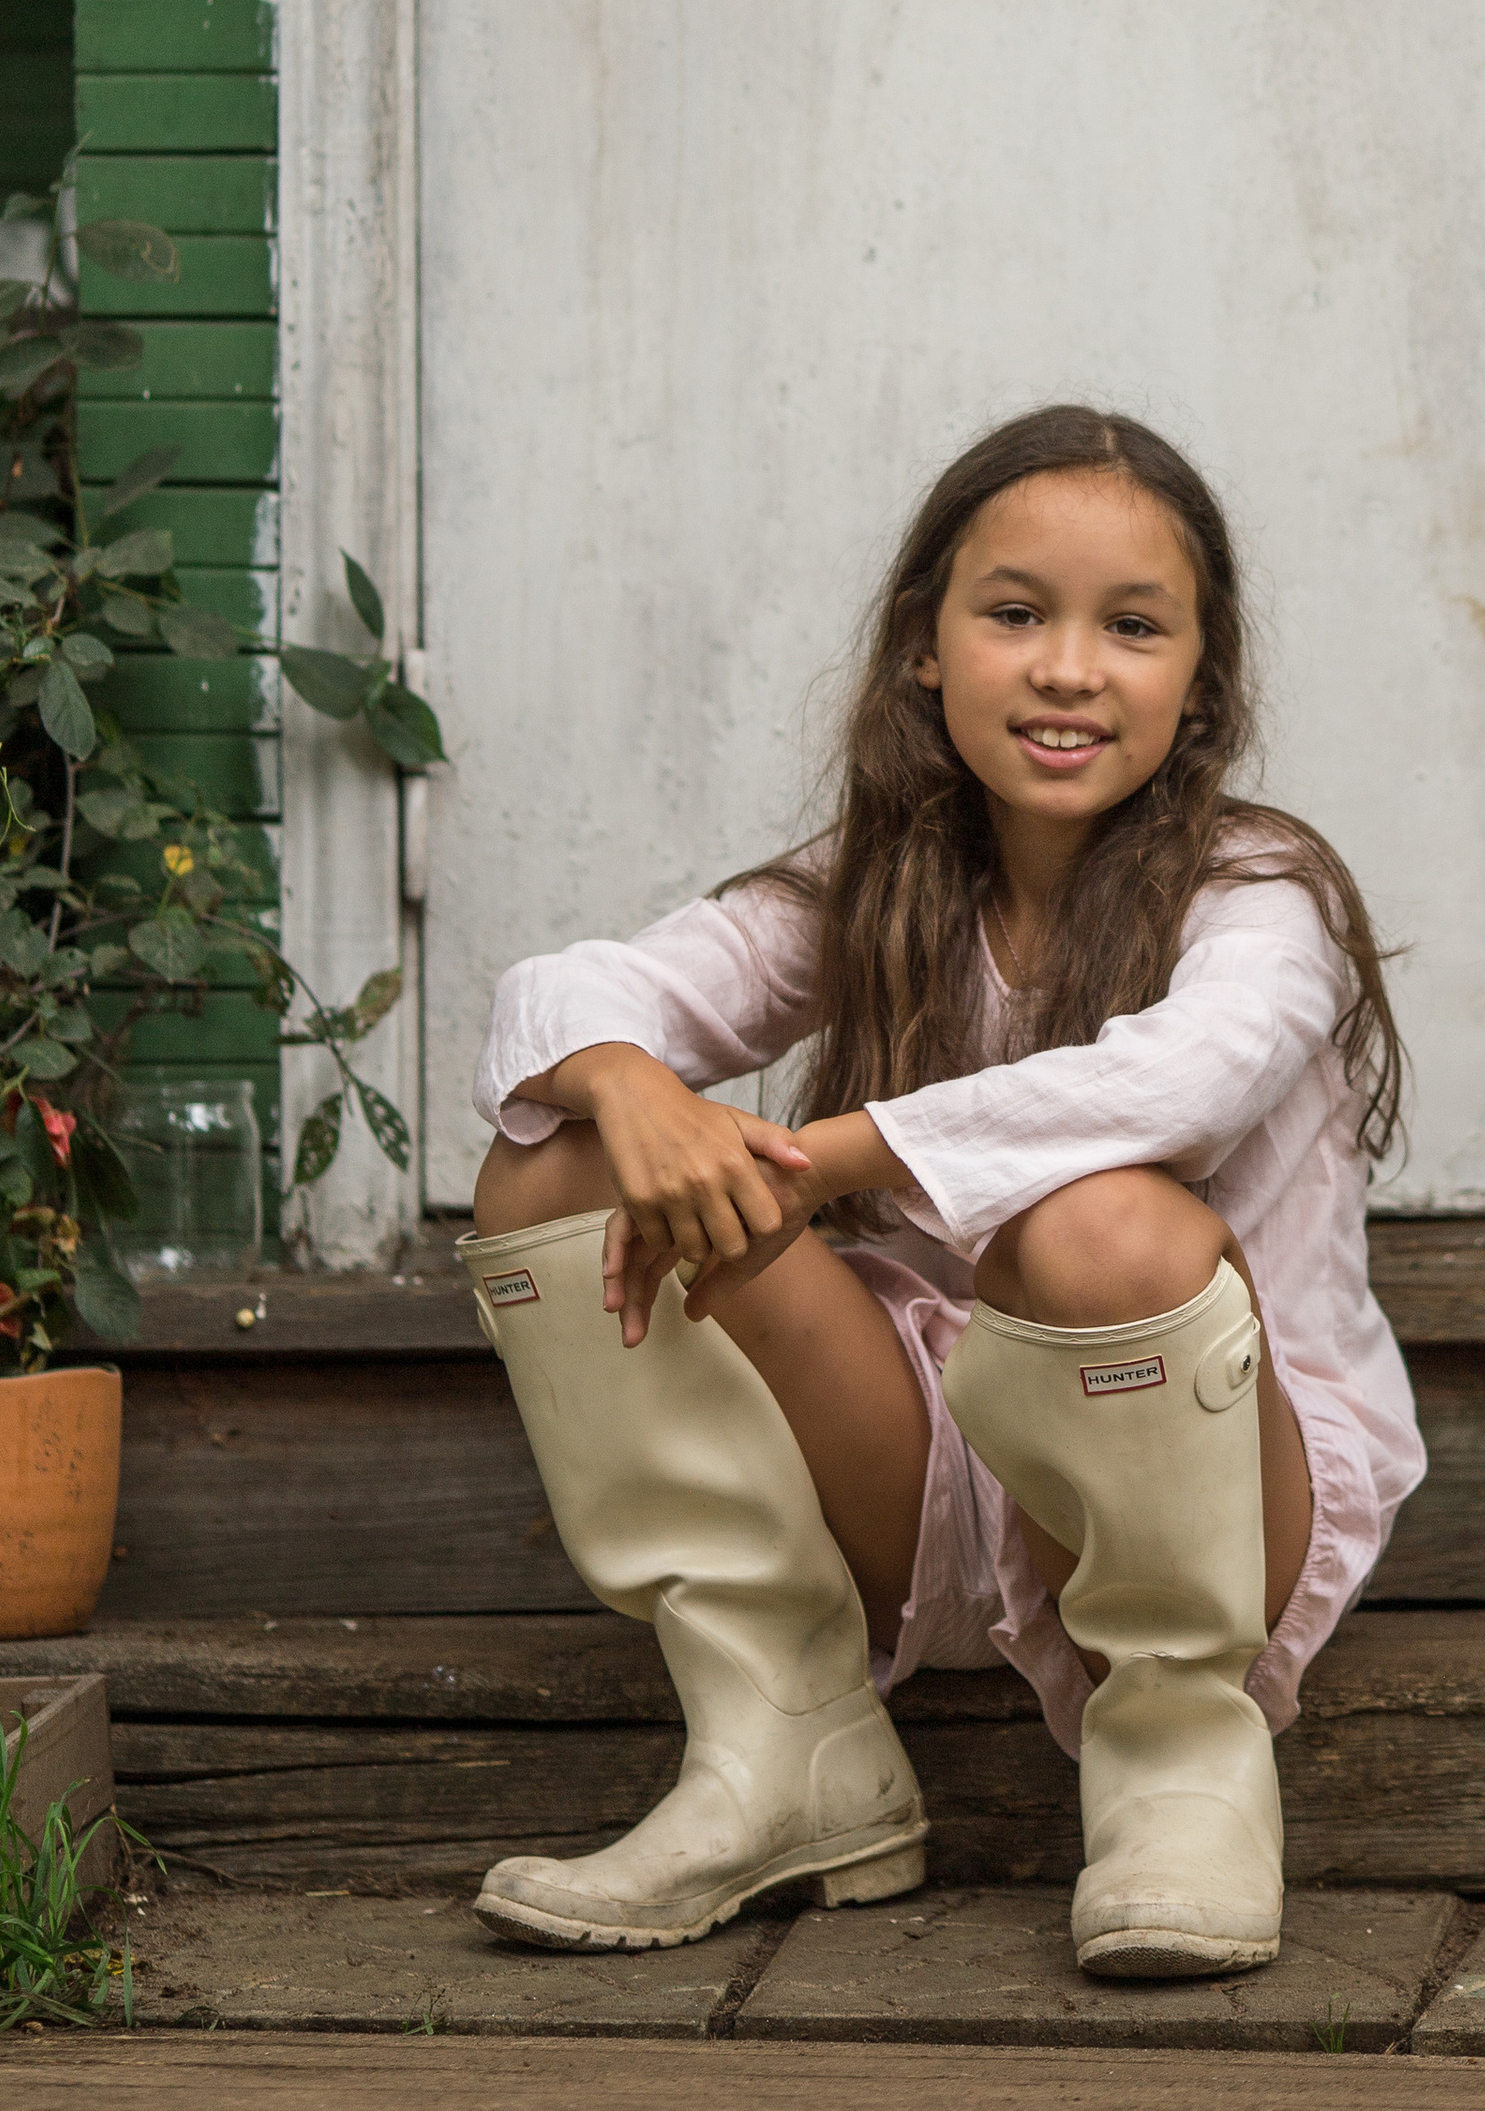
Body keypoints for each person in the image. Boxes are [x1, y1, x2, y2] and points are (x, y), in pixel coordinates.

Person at [463, 402, 1419, 1981]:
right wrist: (631, 1087)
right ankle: (785, 1746)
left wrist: (821, 1155)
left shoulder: (1261, 893)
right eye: (1014, 614)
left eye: (1130, 627)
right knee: (553, 1158)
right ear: (927, 646)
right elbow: (566, 994)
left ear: (1202, 681)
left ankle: (1182, 1764)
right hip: (918, 1460)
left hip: (1204, 1478)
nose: (1066, 669)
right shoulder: (879, 882)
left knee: (1098, 1220)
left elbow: (1180, 1080)